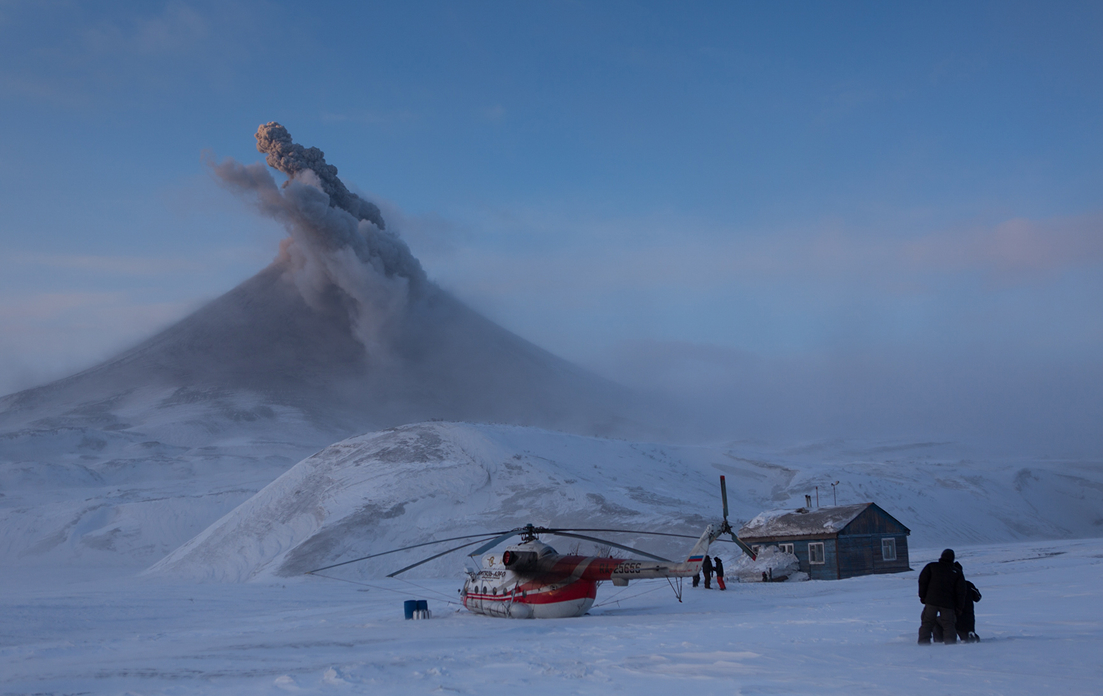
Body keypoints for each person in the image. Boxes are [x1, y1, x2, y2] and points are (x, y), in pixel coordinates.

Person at [918, 548, 966, 644]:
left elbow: (922, 581)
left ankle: (923, 643)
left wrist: (923, 596)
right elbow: (961, 592)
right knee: (949, 625)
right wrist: (959, 607)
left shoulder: (931, 567)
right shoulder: (957, 572)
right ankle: (950, 645)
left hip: (931, 601)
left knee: (927, 623)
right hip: (948, 604)